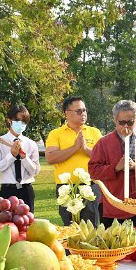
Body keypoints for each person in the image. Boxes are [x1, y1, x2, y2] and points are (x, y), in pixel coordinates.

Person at [89, 100, 136, 227]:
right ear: (115, 120)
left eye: (130, 122)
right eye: (121, 122)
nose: (125, 126)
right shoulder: (103, 143)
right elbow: (93, 171)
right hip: (112, 205)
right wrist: (115, 168)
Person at [45, 96, 102, 226]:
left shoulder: (94, 132)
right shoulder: (56, 134)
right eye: (79, 111)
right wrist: (75, 148)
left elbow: (103, 158)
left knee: (91, 229)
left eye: (84, 110)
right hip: (66, 188)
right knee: (70, 229)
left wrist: (85, 148)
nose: (83, 114)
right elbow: (50, 158)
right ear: (67, 113)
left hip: (90, 187)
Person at [0, 105, 41, 212]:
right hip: (7, 191)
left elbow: (35, 171)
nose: (20, 124)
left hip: (26, 190)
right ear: (9, 120)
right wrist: (11, 156)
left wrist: (24, 157)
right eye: (17, 120)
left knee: (27, 224)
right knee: (6, 225)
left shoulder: (31, 144)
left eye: (24, 122)